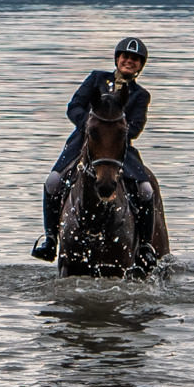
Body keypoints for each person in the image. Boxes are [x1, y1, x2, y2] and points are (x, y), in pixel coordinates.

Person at [32, 37, 156, 261]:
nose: (129, 61)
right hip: (84, 142)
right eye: (126, 56)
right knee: (53, 182)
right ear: (117, 59)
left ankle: (145, 246)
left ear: (140, 65)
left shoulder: (140, 95)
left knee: (146, 190)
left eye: (135, 59)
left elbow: (136, 127)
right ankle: (50, 240)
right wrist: (90, 126)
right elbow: (74, 107)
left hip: (118, 148)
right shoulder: (97, 79)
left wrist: (114, 131)